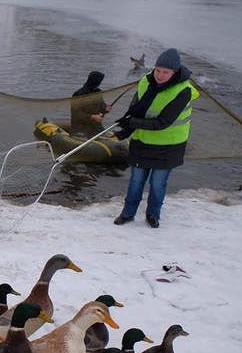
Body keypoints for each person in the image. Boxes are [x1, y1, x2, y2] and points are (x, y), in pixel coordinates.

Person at [112, 48, 199, 229]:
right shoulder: (146, 80)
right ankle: (128, 213)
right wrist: (128, 120)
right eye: (158, 70)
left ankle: (153, 214)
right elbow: (136, 104)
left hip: (169, 145)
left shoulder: (183, 91)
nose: (159, 75)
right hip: (142, 141)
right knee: (136, 180)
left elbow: (163, 122)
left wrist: (133, 121)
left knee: (158, 183)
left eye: (165, 72)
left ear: (174, 72)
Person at [70, 70, 112, 137]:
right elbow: (75, 114)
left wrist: (106, 109)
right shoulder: (79, 94)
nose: (100, 83)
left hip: (96, 128)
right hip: (81, 128)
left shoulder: (98, 92)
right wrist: (92, 117)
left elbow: (101, 109)